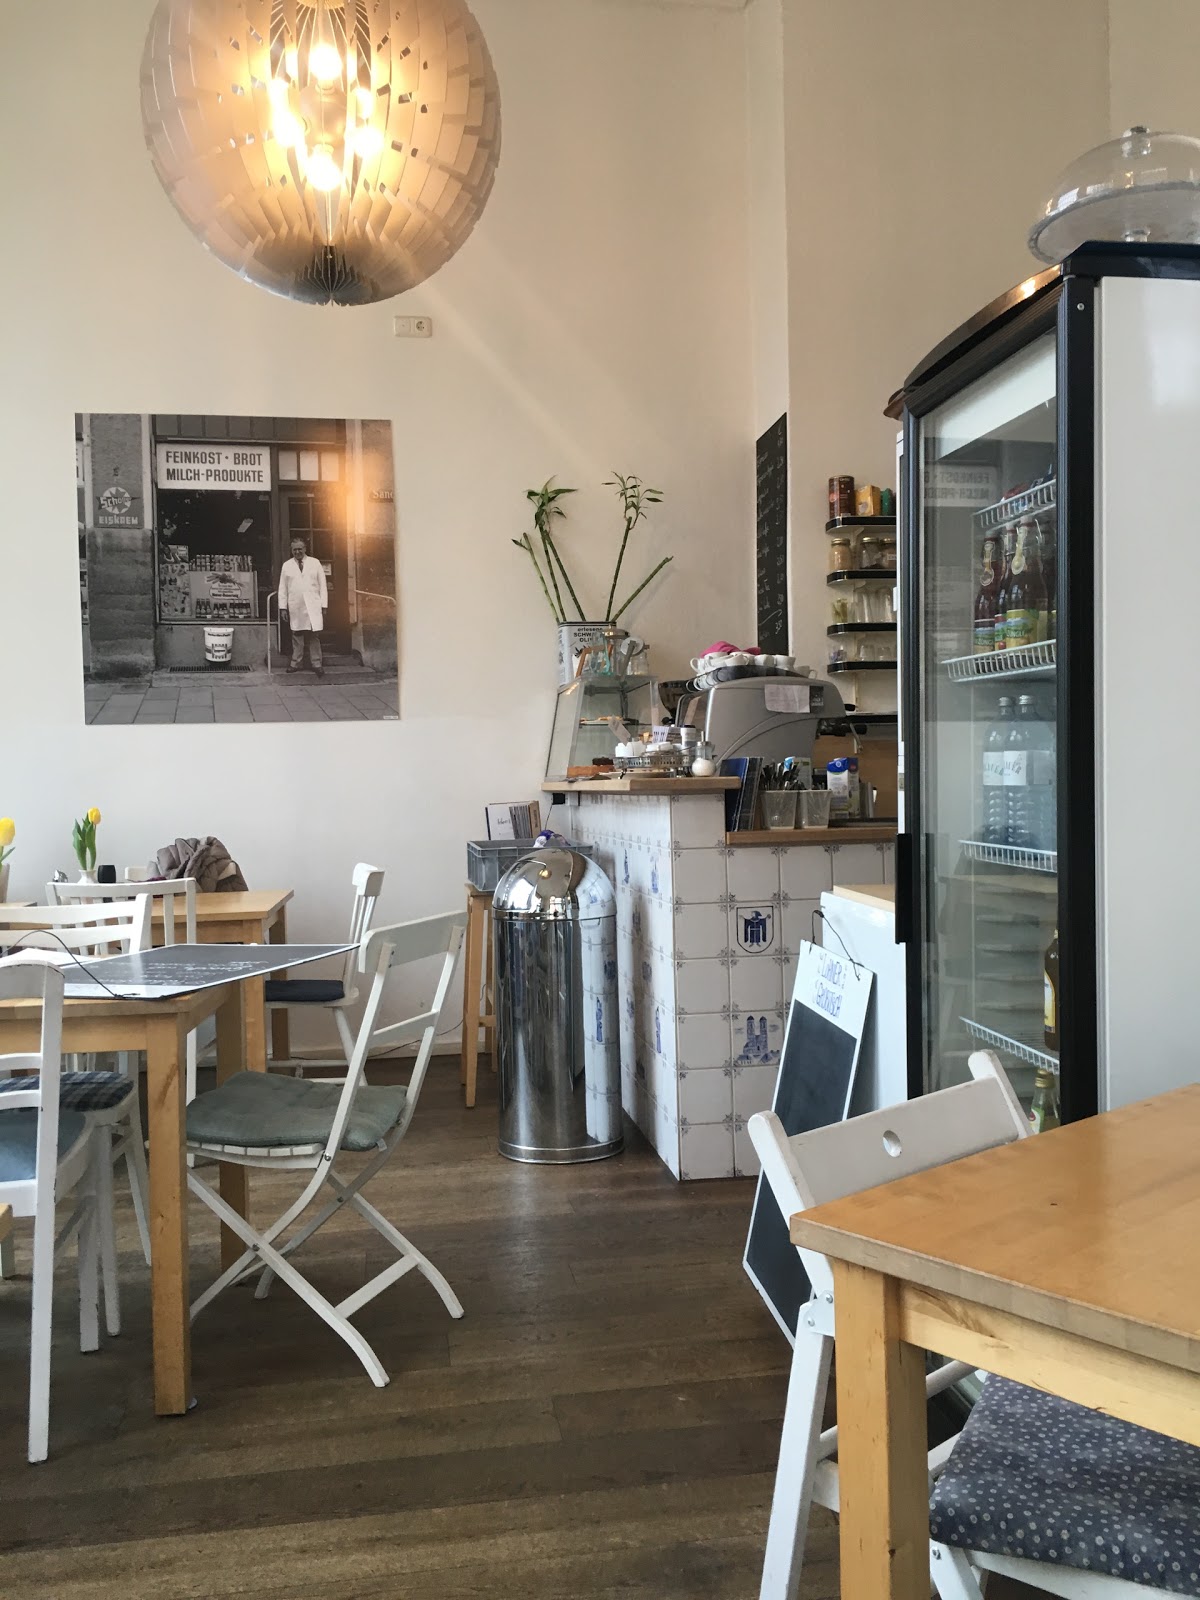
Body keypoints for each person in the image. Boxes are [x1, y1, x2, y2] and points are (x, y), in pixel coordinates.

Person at [277, 537, 328, 676]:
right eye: (294, 550)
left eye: (300, 549)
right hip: (296, 606)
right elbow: (282, 588)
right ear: (291, 550)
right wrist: (283, 608)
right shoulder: (287, 565)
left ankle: (317, 664)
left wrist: (324, 605)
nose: (297, 552)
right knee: (297, 635)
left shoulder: (315, 563)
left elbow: (323, 586)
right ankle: (295, 663)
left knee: (314, 635)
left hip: (313, 605)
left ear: (305, 549)